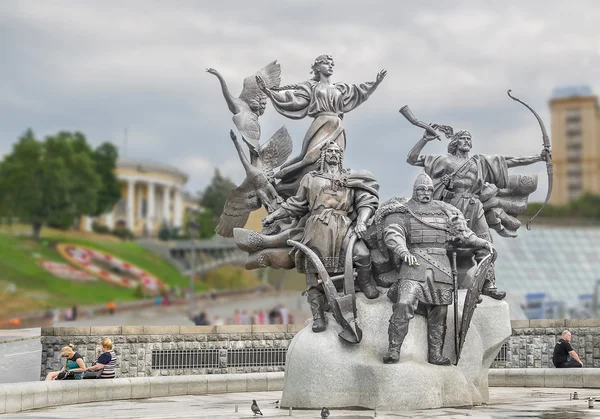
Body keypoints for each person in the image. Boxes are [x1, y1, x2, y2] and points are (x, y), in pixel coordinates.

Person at [407, 129, 547, 300]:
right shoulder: (444, 160)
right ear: (455, 142)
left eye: (469, 138)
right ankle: (439, 282)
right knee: (444, 244)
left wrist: (539, 157)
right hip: (451, 206)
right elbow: (412, 159)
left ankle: (488, 284)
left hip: (474, 205)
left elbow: (510, 161)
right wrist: (424, 139)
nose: (466, 141)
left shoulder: (480, 162)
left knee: (486, 243)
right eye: (463, 138)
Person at [262, 140, 380, 333]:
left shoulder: (350, 176)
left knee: (362, 254)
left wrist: (362, 221)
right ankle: (318, 317)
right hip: (318, 225)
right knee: (314, 270)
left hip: (343, 224)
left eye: (337, 151)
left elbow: (366, 200)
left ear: (340, 156)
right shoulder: (311, 178)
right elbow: (296, 204)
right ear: (323, 155)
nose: (334, 154)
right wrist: (274, 216)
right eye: (330, 151)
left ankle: (365, 282)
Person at [380, 173, 494, 365]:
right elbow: (393, 233)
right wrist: (402, 250)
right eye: (421, 189)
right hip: (413, 265)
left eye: (429, 189)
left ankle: (435, 354)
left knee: (439, 312)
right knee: (404, 303)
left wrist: (483, 242)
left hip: (441, 267)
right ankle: (393, 349)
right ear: (415, 190)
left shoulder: (445, 211)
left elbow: (465, 233)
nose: (425, 193)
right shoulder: (403, 211)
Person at [257, 54, 386, 198]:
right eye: (326, 63)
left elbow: (360, 92)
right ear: (317, 67)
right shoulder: (310, 87)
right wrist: (268, 92)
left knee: (334, 161)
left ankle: (331, 195)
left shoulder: (340, 88)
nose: (330, 65)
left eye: (332, 63)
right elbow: (294, 101)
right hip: (320, 124)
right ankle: (294, 192)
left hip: (337, 126)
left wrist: (376, 83)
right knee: (311, 162)